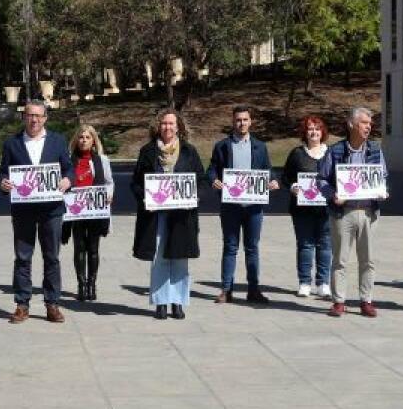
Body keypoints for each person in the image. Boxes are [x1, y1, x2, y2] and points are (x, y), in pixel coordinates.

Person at [0, 102, 72, 324]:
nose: (34, 120)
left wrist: (69, 180)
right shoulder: (12, 143)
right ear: (24, 117)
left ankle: (52, 304)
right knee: (22, 257)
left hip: (52, 210)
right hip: (23, 210)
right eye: (30, 115)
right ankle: (22, 304)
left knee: (52, 257)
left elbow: (68, 167)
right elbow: (3, 171)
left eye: (38, 116)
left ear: (45, 118)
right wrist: (3, 183)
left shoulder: (58, 141)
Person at [132, 109, 207, 320]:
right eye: (164, 123)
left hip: (182, 215)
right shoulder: (147, 151)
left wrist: (195, 196)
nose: (167, 127)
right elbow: (136, 183)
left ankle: (178, 302)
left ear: (179, 127)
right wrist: (144, 197)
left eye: (171, 124)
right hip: (156, 215)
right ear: (158, 126)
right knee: (159, 259)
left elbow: (200, 180)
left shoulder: (189, 151)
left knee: (180, 258)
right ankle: (161, 302)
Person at [317, 107, 388, 318]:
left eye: (370, 123)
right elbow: (321, 180)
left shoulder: (375, 150)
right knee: (340, 260)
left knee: (368, 259)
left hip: (368, 212)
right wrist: (332, 195)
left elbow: (382, 176)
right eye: (364, 122)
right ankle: (339, 301)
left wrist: (382, 191)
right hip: (343, 213)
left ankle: (366, 300)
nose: (369, 126)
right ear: (351, 125)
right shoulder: (336, 151)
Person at [207, 105, 279, 304]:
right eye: (238, 120)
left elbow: (268, 170)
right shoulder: (222, 145)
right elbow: (211, 169)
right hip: (230, 206)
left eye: (245, 120)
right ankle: (226, 290)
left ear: (250, 121)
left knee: (252, 248)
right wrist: (213, 179)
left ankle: (253, 289)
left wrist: (273, 180)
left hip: (254, 207)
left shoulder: (259, 146)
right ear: (233, 122)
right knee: (230, 247)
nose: (242, 123)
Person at [61, 124, 115, 302]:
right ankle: (81, 285)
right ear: (76, 140)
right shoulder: (69, 159)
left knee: (93, 248)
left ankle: (92, 284)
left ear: (93, 141)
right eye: (81, 137)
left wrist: (109, 194)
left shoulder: (102, 160)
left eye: (87, 137)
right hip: (76, 211)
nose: (84, 140)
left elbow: (109, 182)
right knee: (79, 248)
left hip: (95, 211)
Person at [283, 115, 332, 300]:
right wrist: (293, 187)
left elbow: (338, 177)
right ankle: (304, 282)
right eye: (310, 129)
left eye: (317, 129)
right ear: (305, 132)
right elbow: (286, 177)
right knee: (305, 245)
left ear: (322, 132)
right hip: (302, 210)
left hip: (326, 209)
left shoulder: (331, 153)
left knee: (325, 246)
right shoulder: (297, 153)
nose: (314, 132)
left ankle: (323, 283)